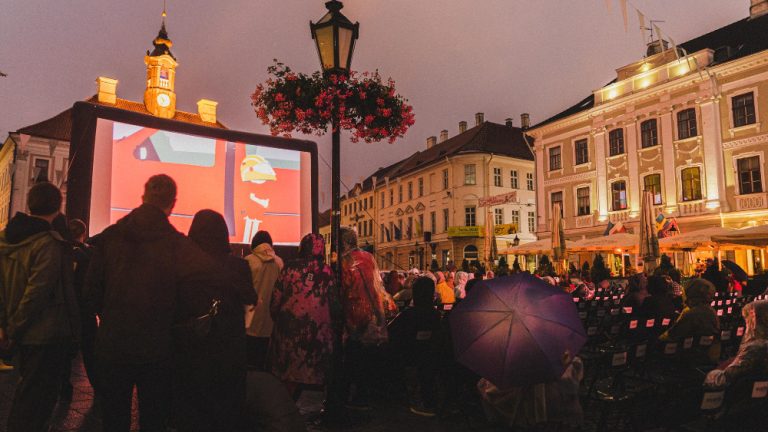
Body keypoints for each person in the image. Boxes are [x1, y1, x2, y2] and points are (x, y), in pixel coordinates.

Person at [84, 174, 218, 432]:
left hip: (112, 344)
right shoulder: (178, 245)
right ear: (173, 203)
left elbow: (90, 294)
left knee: (113, 419)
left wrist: (111, 314)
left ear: (143, 196)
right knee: (154, 420)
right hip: (158, 348)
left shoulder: (110, 237)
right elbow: (196, 293)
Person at [0, 182, 80, 432]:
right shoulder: (48, 243)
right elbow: (37, 294)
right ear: (58, 206)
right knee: (37, 401)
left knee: (27, 393)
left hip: (20, 330)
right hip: (45, 333)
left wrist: (6, 326)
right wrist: (14, 328)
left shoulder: (6, 238)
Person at [172, 210, 256, 431]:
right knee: (227, 413)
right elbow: (250, 297)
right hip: (229, 352)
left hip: (191, 350)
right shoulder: (237, 267)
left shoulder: (182, 264)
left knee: (192, 413)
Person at [268, 233, 334, 399]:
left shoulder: (289, 268)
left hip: (289, 331)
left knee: (287, 376)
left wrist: (277, 319)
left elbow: (275, 300)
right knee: (313, 374)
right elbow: (334, 303)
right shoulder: (327, 271)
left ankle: (286, 410)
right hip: (317, 335)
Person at [339, 227, 390, 409]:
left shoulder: (344, 261)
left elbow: (343, 290)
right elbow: (377, 285)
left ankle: (350, 397)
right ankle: (364, 394)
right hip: (372, 314)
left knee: (351, 356)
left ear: (343, 242)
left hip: (354, 314)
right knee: (366, 356)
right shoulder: (369, 258)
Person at [389, 277, 444, 417]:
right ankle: (429, 399)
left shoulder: (408, 315)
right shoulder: (436, 315)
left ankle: (415, 400)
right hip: (431, 357)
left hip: (410, 358)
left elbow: (391, 333)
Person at [705, 300, 768, 387]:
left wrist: (714, 372)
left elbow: (722, 380)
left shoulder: (756, 348)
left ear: (755, 321)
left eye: (747, 320)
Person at [245, 230, 283, 370]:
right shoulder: (279, 262)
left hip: (250, 321)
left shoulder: (248, 261)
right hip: (271, 323)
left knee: (250, 365)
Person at [659, 278, 720, 364]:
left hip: (694, 354)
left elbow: (673, 334)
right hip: (710, 352)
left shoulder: (693, 313)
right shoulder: (710, 310)